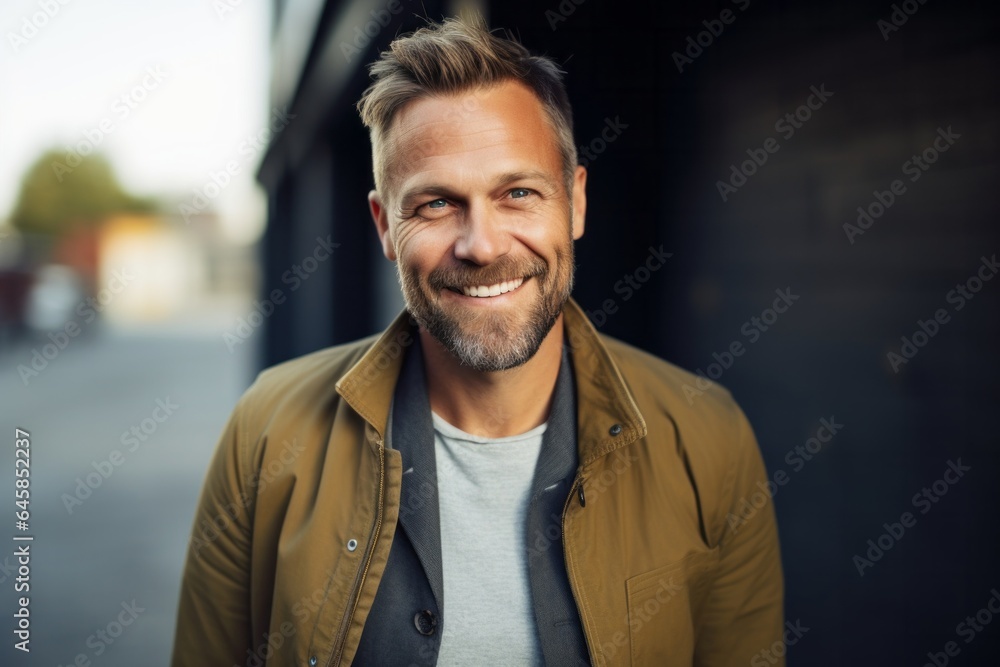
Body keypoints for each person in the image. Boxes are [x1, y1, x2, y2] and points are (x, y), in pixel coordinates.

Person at [171, 14, 784, 667]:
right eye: (436, 204)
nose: (482, 245)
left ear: (575, 202)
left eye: (518, 192)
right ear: (384, 224)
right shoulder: (267, 430)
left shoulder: (707, 435)